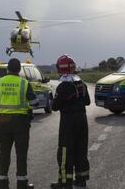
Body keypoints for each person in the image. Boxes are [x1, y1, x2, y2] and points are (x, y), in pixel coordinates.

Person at [0, 58, 38, 189]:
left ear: (7, 69)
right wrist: (28, 108)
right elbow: (35, 103)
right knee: (21, 154)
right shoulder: (24, 83)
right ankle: (22, 184)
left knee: (4, 153)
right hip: (21, 123)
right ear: (19, 70)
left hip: (4, 121)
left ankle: (3, 184)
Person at [50, 54, 91, 189]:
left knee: (65, 152)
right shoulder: (82, 83)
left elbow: (54, 107)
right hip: (82, 121)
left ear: (61, 69)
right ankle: (81, 179)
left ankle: (65, 182)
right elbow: (88, 102)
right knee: (81, 149)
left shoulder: (63, 87)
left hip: (68, 123)